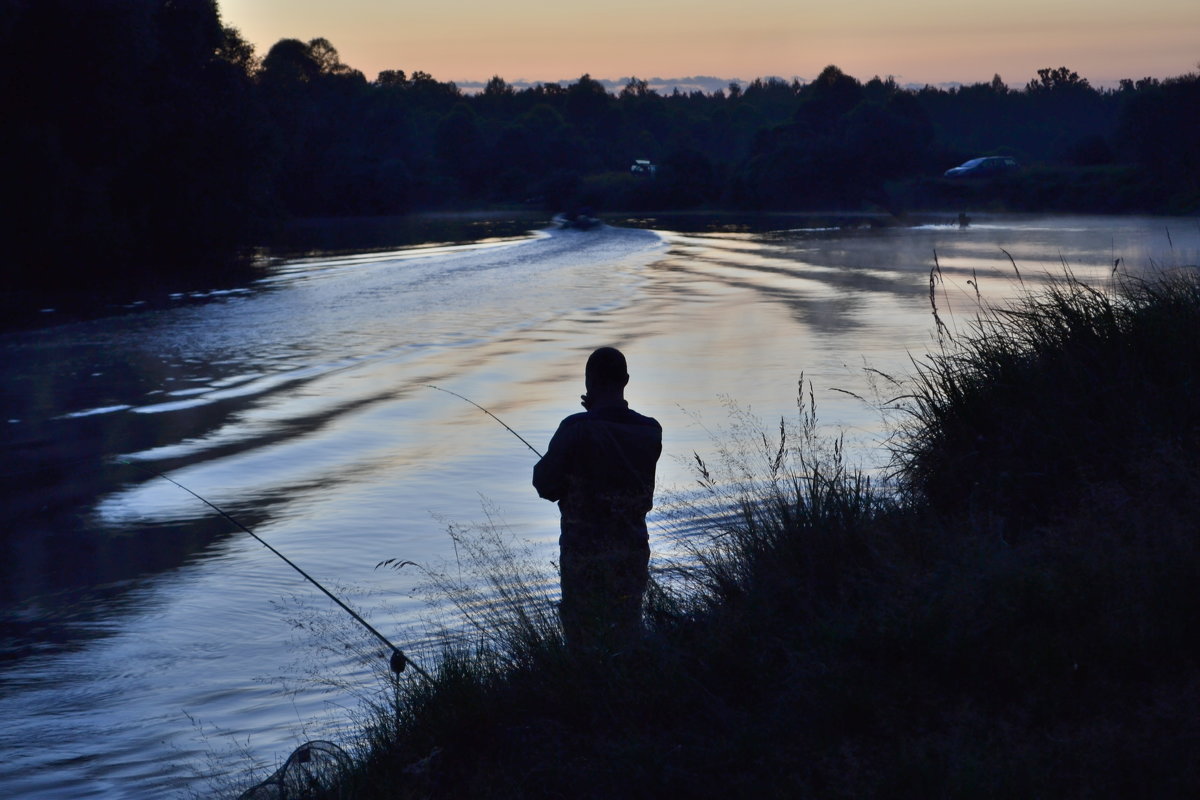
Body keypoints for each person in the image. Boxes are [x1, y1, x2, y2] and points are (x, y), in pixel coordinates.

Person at [533, 347, 662, 651]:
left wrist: (587, 418)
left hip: (584, 559)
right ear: (626, 380)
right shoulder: (650, 431)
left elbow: (544, 484)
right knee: (628, 632)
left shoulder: (576, 428)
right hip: (632, 554)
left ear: (589, 382)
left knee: (583, 639)